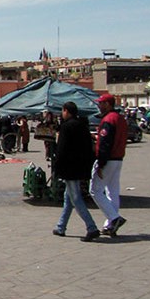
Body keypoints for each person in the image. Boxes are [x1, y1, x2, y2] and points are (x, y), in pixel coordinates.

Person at [52, 102, 100, 241]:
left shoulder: (66, 127)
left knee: (76, 198)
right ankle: (61, 226)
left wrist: (57, 166)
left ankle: (91, 227)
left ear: (66, 111)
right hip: (81, 166)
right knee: (68, 197)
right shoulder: (82, 126)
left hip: (69, 168)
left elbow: (61, 149)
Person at [90, 94, 128, 236]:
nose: (99, 106)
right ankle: (109, 224)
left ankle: (114, 218)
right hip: (118, 158)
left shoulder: (108, 120)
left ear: (108, 104)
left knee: (95, 190)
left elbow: (105, 144)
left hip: (108, 159)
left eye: (101, 103)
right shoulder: (121, 119)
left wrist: (100, 164)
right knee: (112, 191)